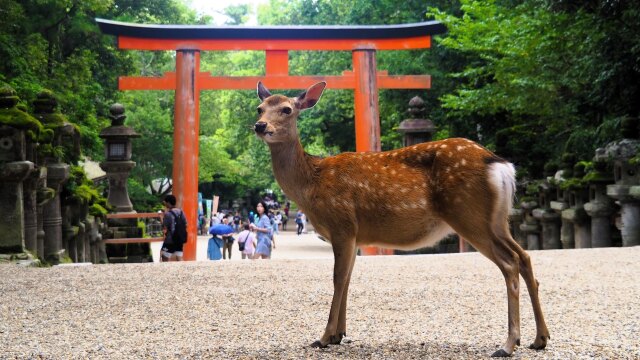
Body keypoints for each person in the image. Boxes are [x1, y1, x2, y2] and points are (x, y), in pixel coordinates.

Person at [160, 195, 186, 262]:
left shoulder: (168, 214)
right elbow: (186, 224)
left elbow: (164, 226)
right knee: (179, 257)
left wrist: (161, 218)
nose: (165, 204)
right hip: (179, 238)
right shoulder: (181, 212)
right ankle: (183, 270)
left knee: (164, 257)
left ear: (168, 202)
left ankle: (166, 271)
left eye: (165, 202)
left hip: (170, 239)